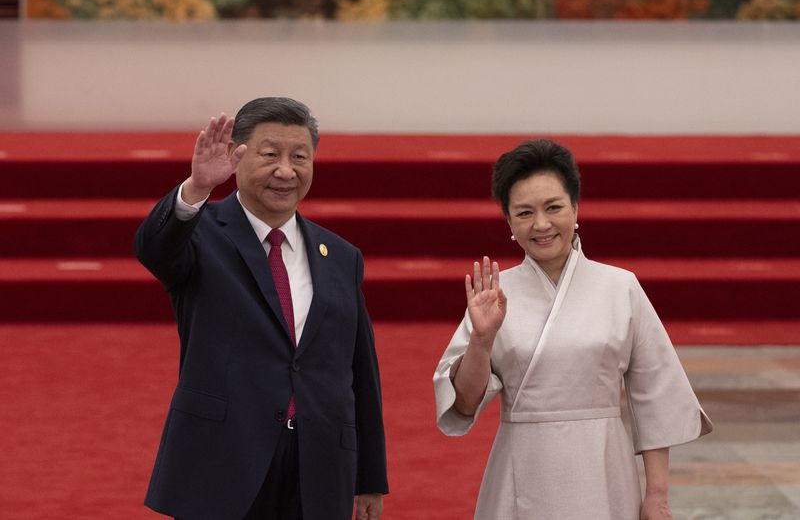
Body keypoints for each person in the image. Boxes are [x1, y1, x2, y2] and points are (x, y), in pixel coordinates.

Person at [135, 97, 388, 520]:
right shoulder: (201, 234)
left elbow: (360, 372)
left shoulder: (341, 256)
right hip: (223, 462)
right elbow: (154, 249)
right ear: (237, 155)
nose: (286, 171)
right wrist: (196, 190)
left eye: (300, 157)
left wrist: (369, 477)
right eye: (270, 155)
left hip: (318, 468)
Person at [433, 139, 712, 520]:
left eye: (554, 207)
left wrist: (657, 495)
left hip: (603, 467)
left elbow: (656, 392)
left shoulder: (621, 287)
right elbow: (463, 404)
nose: (542, 224)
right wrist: (481, 339)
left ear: (576, 208)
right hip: (522, 468)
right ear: (509, 223)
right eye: (525, 213)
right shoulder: (495, 296)